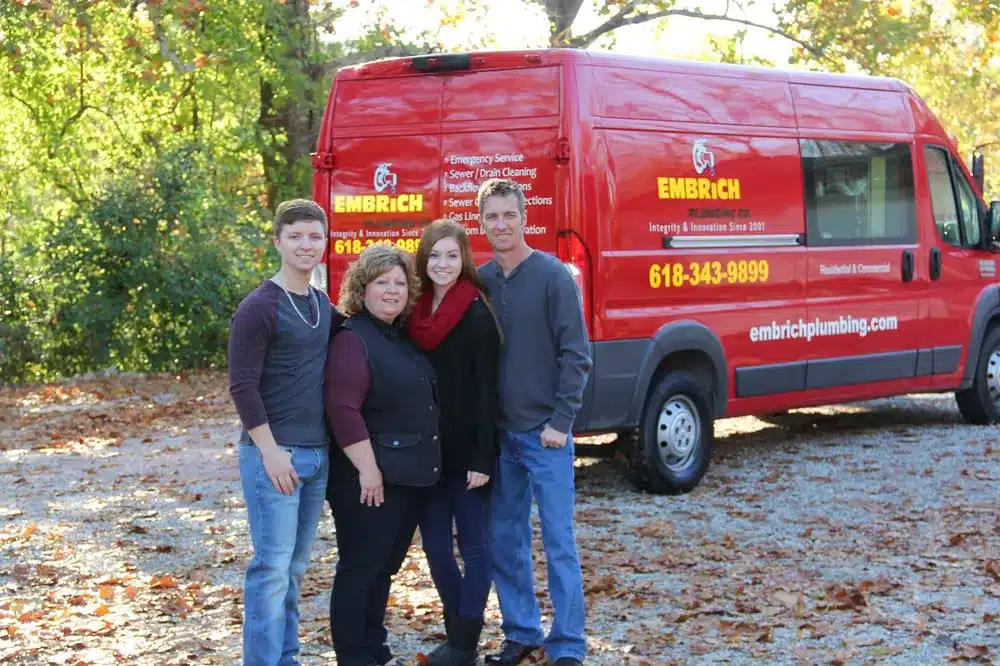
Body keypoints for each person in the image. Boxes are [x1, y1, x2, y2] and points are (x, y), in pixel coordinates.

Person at [475, 179, 593, 666]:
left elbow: (577, 354)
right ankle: (521, 631)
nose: (501, 225)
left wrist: (561, 421)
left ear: (525, 218)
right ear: (480, 223)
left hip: (546, 435)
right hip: (501, 438)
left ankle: (567, 644)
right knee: (505, 538)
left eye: (509, 215)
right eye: (491, 217)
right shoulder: (479, 281)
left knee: (559, 542)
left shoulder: (552, 276)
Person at [228, 198, 337, 666]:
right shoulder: (259, 307)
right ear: (278, 242)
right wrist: (270, 452)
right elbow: (242, 386)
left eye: (314, 236)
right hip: (274, 455)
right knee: (270, 569)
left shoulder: (322, 303)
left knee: (294, 570)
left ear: (325, 243)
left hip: (317, 454)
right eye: (295, 236)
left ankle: (286, 658)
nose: (305, 244)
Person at [324, 243, 442, 666]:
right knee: (360, 570)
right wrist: (368, 470)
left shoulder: (398, 336)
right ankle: (355, 657)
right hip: (366, 478)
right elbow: (342, 408)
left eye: (398, 283)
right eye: (381, 283)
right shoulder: (354, 338)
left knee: (381, 570)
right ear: (362, 288)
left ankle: (375, 650)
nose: (391, 290)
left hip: (402, 478)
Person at [406, 219, 501, 666]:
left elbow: (488, 392)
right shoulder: (415, 310)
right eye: (435, 256)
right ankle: (457, 633)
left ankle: (462, 645)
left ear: (463, 260)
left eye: (452, 255)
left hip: (468, 454)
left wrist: (484, 457)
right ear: (423, 260)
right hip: (428, 452)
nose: (442, 264)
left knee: (474, 549)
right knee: (436, 549)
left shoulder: (477, 313)